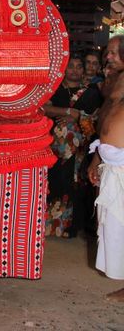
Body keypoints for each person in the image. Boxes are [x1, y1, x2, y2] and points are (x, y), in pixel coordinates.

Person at [44, 54, 103, 238]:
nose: (75, 70)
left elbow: (96, 118)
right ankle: (49, 227)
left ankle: (71, 228)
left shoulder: (92, 93)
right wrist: (70, 111)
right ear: (64, 69)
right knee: (54, 182)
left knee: (74, 185)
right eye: (71, 66)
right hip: (53, 149)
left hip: (79, 151)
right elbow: (44, 108)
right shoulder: (54, 89)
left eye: (79, 66)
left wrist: (78, 117)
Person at [88, 35, 124, 302]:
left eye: (113, 53)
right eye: (107, 53)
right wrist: (96, 158)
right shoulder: (112, 83)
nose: (107, 58)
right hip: (111, 164)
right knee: (115, 228)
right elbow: (105, 121)